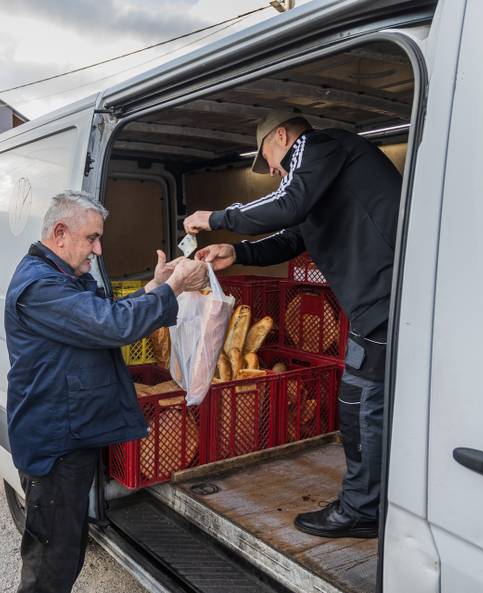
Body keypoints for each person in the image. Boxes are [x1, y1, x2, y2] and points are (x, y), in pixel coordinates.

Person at [184, 110, 401, 539]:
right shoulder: (324, 178)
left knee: (360, 405)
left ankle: (362, 510)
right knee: (371, 405)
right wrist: (237, 252)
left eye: (268, 160)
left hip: (387, 298)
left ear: (282, 137)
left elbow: (288, 204)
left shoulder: (319, 146)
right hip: (381, 301)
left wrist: (217, 217)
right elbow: (292, 235)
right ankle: (377, 502)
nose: (273, 171)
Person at [4, 190, 207, 593]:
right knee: (51, 566)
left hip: (69, 436)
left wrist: (155, 286)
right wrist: (173, 287)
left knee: (66, 552)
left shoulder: (60, 277)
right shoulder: (40, 286)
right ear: (60, 233)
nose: (98, 250)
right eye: (92, 238)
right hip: (54, 445)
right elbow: (113, 326)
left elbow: (105, 317)